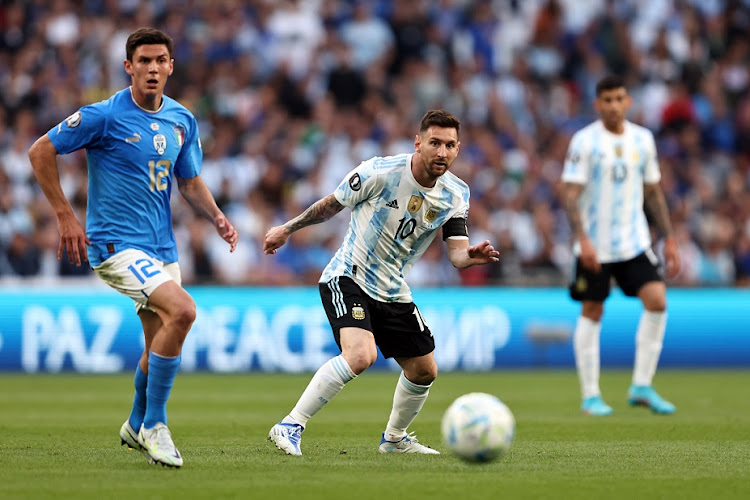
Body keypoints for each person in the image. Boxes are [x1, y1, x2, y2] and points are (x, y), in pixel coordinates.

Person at [28, 28, 238, 467]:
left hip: (162, 247)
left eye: (160, 60)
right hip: (115, 245)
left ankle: (134, 421)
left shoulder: (182, 119)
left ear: (171, 66)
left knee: (158, 340)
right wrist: (66, 215)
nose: (153, 68)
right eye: (143, 61)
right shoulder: (103, 115)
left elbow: (189, 179)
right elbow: (41, 151)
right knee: (183, 311)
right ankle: (155, 426)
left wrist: (216, 215)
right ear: (129, 67)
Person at [263, 109, 500, 455]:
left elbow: (457, 254)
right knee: (360, 355)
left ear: (458, 149)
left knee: (424, 371)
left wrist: (471, 257)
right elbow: (332, 204)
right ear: (418, 143)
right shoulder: (381, 171)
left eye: (450, 145)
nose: (442, 152)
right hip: (349, 276)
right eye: (434, 143)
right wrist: (287, 228)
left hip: (393, 289)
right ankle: (290, 424)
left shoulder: (456, 195)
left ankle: (394, 439)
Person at [561, 75, 681, 416]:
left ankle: (642, 385)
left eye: (619, 99)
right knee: (592, 310)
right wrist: (582, 239)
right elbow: (570, 194)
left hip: (634, 241)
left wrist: (669, 237)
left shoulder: (643, 139)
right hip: (594, 245)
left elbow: (654, 191)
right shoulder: (584, 142)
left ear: (628, 102)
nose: (614, 106)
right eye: (607, 100)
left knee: (657, 300)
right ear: (597, 104)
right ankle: (590, 395)